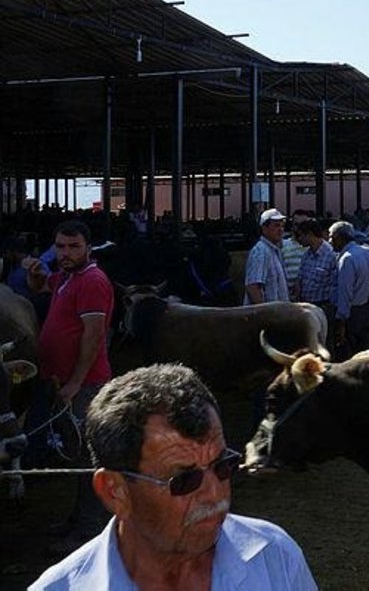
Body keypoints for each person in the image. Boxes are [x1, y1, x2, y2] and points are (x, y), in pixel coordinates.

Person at [31, 364, 316, 590]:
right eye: (184, 480)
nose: (215, 494)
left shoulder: (275, 556)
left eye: (222, 466)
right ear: (115, 492)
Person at [23, 220, 115, 552]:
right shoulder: (68, 277)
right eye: (60, 246)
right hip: (64, 383)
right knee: (76, 454)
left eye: (73, 247)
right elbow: (42, 286)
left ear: (88, 248)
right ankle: (78, 521)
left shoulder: (91, 281)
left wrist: (76, 382)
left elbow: (93, 336)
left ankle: (89, 531)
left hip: (84, 385)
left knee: (88, 459)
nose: (65, 253)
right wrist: (36, 276)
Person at [328, 221, 369, 357]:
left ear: (339, 238)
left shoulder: (346, 259)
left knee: (347, 356)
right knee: (364, 354)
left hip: (350, 314)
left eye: (331, 237)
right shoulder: (367, 252)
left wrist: (341, 322)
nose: (329, 241)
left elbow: (345, 293)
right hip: (365, 309)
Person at [293, 219, 337, 321]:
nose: (298, 240)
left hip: (323, 307)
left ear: (309, 234)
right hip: (306, 306)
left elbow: (335, 285)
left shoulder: (331, 255)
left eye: (300, 235)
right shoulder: (306, 255)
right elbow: (300, 279)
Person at [244, 208, 290, 304]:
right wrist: (264, 315)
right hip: (265, 316)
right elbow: (253, 287)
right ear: (264, 228)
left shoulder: (274, 251)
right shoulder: (260, 251)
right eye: (276, 226)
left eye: (282, 226)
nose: (281, 230)